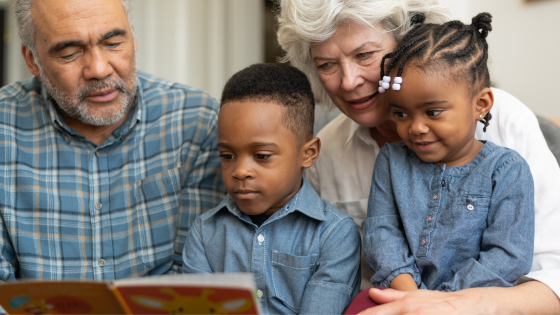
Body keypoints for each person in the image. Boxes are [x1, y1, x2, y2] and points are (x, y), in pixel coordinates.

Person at [277, 0, 560, 313]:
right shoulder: (325, 152)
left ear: (410, 41)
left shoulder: (507, 126)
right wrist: (411, 297)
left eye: (365, 55)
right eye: (326, 64)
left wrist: (448, 304)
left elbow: (552, 271)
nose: (349, 81)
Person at [0, 0, 224, 281]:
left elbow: (196, 280)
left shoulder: (196, 122)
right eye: (69, 53)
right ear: (32, 59)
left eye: (113, 43)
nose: (99, 69)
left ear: (133, 35)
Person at [364, 12, 534, 293]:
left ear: (481, 104)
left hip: (473, 303)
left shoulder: (507, 170)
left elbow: (509, 256)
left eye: (433, 111)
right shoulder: (391, 160)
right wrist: (412, 296)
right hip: (401, 294)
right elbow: (382, 235)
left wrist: (442, 303)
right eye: (401, 113)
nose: (415, 127)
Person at [182, 63, 361, 314]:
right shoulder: (205, 233)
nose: (240, 171)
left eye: (262, 155)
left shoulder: (334, 235)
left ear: (308, 154)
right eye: (227, 155)